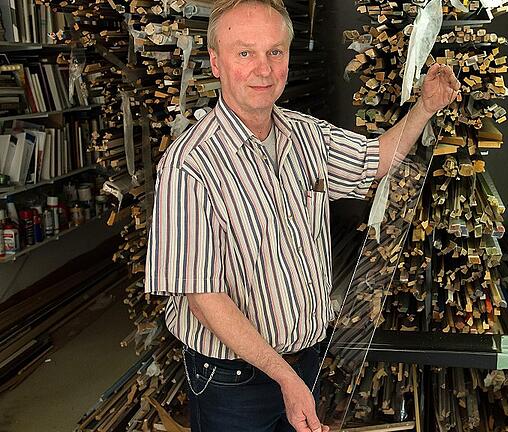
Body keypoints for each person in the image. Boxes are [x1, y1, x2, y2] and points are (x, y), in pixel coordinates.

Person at [144, 0, 460, 431]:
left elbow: (375, 160)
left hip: (305, 360)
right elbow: (203, 298)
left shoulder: (307, 136)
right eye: (244, 53)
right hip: (233, 379)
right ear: (216, 63)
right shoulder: (189, 165)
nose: (264, 68)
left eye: (275, 52)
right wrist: (286, 379)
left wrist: (425, 106)